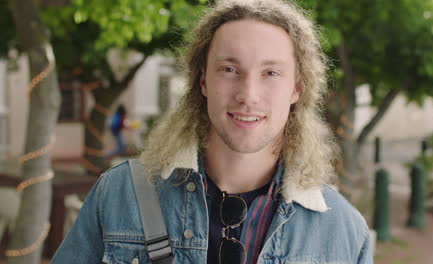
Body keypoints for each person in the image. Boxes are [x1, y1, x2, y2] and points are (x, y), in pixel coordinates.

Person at [52, 0, 373, 263]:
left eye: (270, 72)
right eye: (229, 69)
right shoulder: (119, 194)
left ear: (297, 89)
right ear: (203, 81)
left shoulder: (345, 231)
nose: (248, 94)